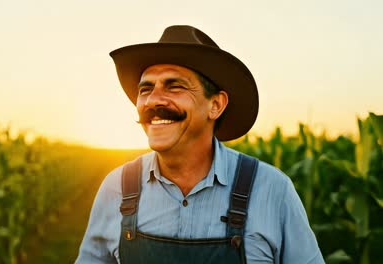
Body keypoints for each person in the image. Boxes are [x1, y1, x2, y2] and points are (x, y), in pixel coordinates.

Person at [76, 25, 324, 263]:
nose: (153, 100)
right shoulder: (116, 188)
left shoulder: (272, 190)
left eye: (175, 86)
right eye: (145, 89)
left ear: (215, 105)